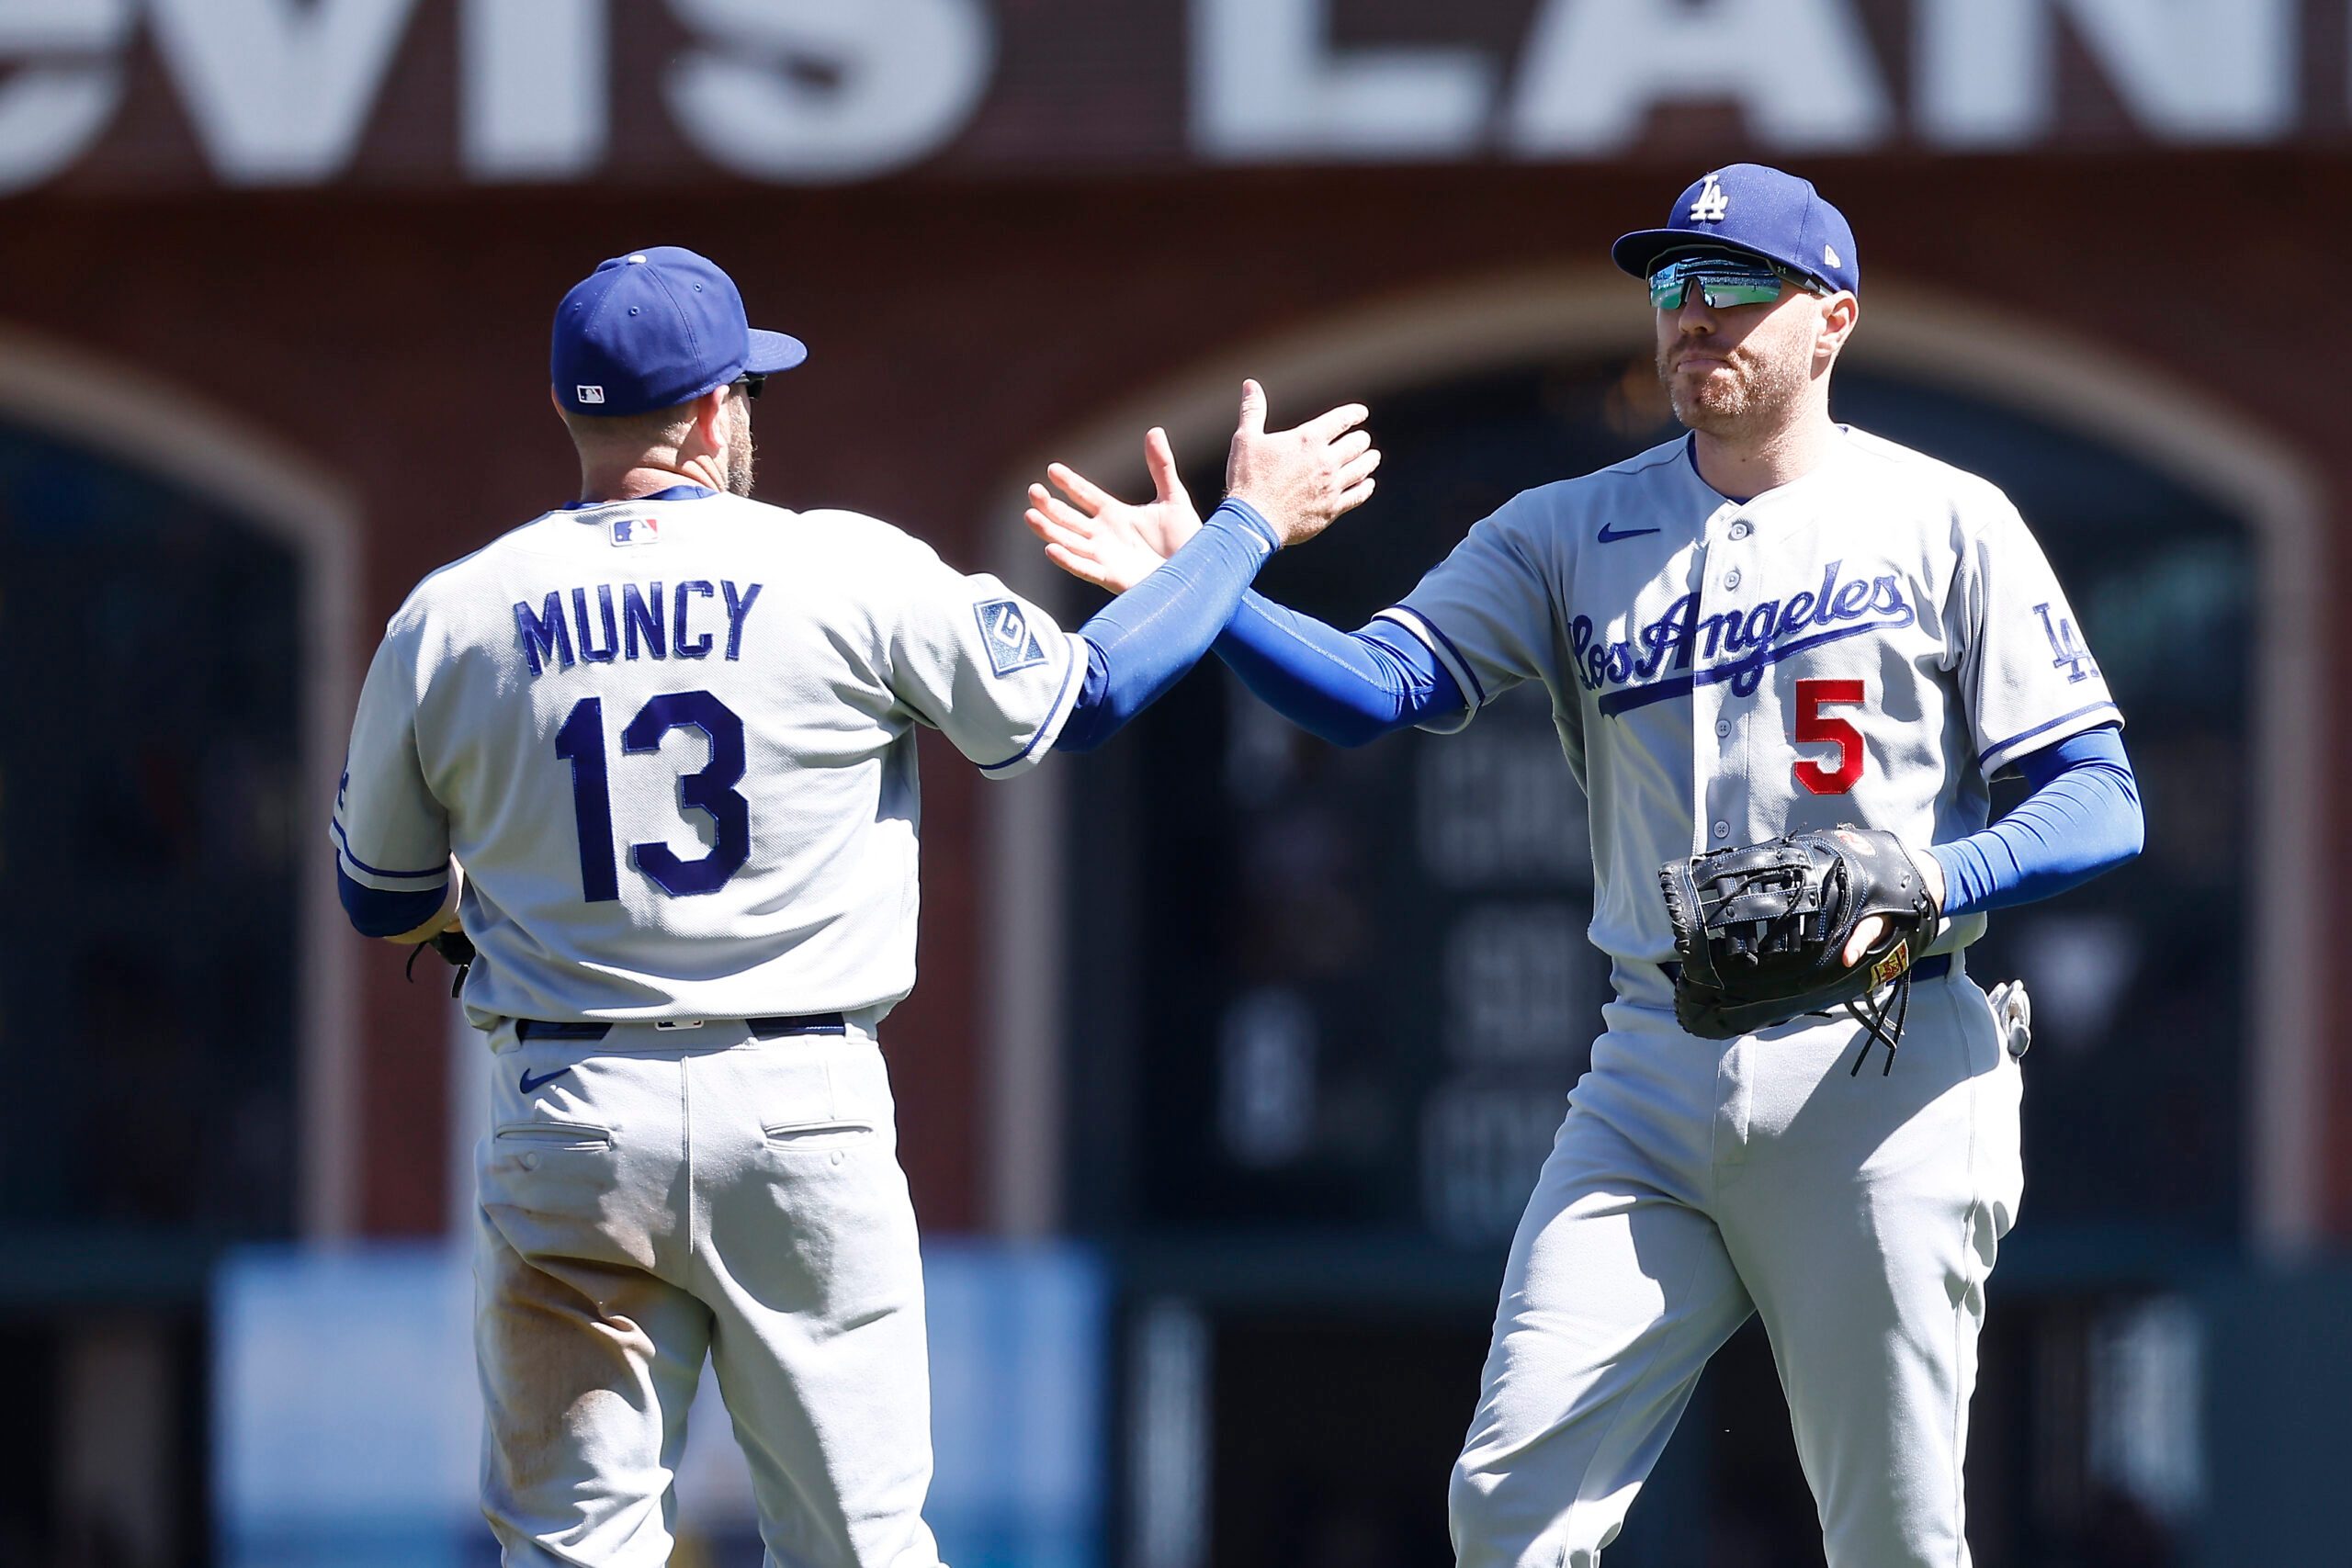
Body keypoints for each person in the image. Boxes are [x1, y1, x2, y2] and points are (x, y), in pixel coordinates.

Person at [1025, 164, 2143, 1568]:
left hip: (1886, 1058)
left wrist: (1926, 882)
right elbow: (1376, 690)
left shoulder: (1947, 518)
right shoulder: (1565, 527)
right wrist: (1208, 591)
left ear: (1834, 320)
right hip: (1654, 1064)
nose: (1695, 317)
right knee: (1509, 1503)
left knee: (1897, 1538)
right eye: (1674, 287)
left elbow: (2101, 803)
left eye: (1737, 287)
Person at [328, 245, 1376, 1567]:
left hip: (571, 1105)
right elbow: (1090, 695)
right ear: (712, 415)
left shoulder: (453, 614)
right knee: (858, 1546)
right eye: (745, 394)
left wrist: (514, 922)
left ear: (570, 411)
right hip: (799, 1102)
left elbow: (382, 897)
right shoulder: (842, 568)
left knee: (569, 1550)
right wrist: (1242, 533)